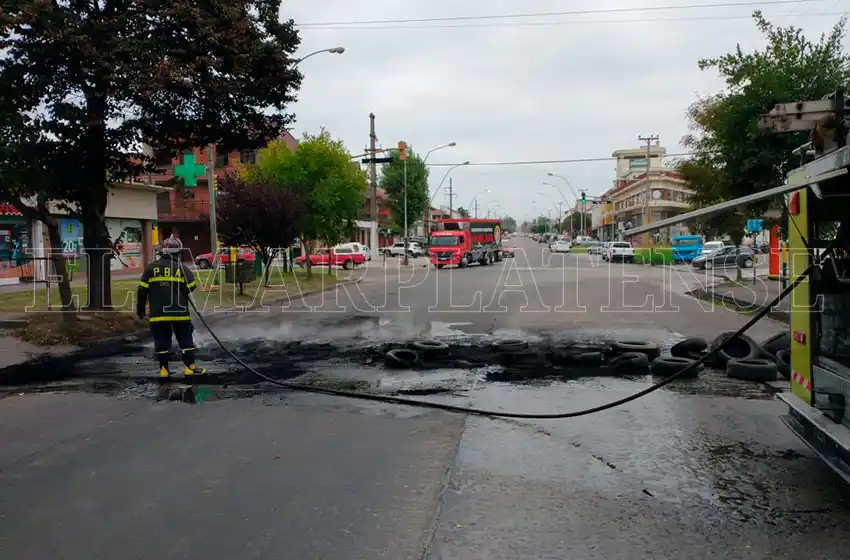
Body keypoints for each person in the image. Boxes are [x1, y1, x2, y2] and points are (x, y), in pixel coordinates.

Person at [137, 236, 206, 378]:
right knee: (185, 337)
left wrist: (140, 308)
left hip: (158, 313)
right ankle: (189, 368)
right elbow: (191, 286)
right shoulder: (182, 268)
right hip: (179, 312)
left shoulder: (151, 268)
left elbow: (142, 289)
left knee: (161, 340)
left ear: (163, 251)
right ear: (178, 252)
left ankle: (164, 370)